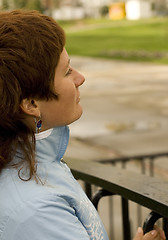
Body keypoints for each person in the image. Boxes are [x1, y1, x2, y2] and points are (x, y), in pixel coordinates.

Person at [0, 10, 165, 240]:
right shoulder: (35, 211)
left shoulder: (32, 164)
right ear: (31, 103)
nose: (80, 77)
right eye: (67, 71)